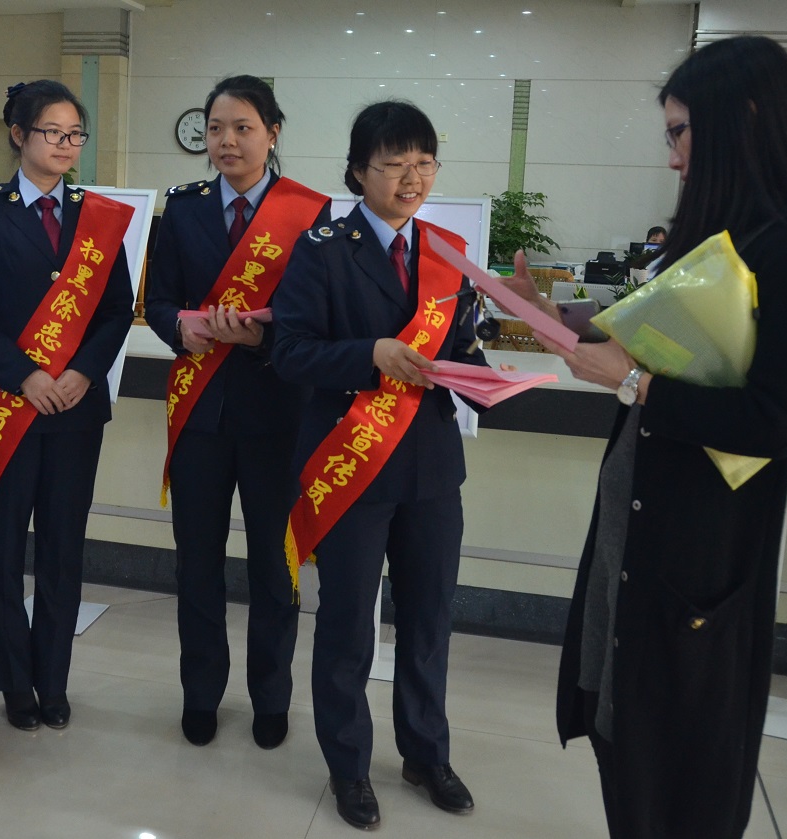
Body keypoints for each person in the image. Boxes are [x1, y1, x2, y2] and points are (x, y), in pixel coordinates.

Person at [503, 36, 787, 839]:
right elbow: (663, 341)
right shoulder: (722, 235)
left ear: (743, 120)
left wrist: (635, 385)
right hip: (640, 535)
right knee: (624, 737)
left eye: (679, 132)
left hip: (699, 560)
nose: (671, 157)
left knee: (679, 772)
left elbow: (773, 421)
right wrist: (551, 317)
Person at [272, 100, 487, 830]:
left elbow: (461, 348)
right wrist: (369, 354)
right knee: (347, 626)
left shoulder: (447, 253)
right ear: (358, 172)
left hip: (432, 470)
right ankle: (348, 766)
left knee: (429, 621)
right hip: (352, 466)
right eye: (394, 164)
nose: (412, 178)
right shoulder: (322, 249)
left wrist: (490, 382)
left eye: (424, 163)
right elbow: (290, 351)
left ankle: (426, 753)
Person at [0, 80, 135, 732]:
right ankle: (14, 683)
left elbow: (115, 312)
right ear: (19, 135)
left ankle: (53, 683)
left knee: (61, 549)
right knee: (1, 552)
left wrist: (81, 371)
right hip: (5, 406)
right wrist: (25, 375)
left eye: (75, 134)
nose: (65, 144)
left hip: (75, 411)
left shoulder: (97, 216)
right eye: (53, 132)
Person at [144, 75, 330, 751]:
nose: (226, 141)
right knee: (196, 563)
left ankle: (271, 698)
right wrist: (180, 326)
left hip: (279, 413)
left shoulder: (309, 213)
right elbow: (157, 300)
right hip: (199, 411)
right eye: (216, 128)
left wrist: (262, 338)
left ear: (272, 134)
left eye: (242, 127)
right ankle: (200, 694)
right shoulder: (183, 208)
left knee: (274, 567)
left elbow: (321, 317)